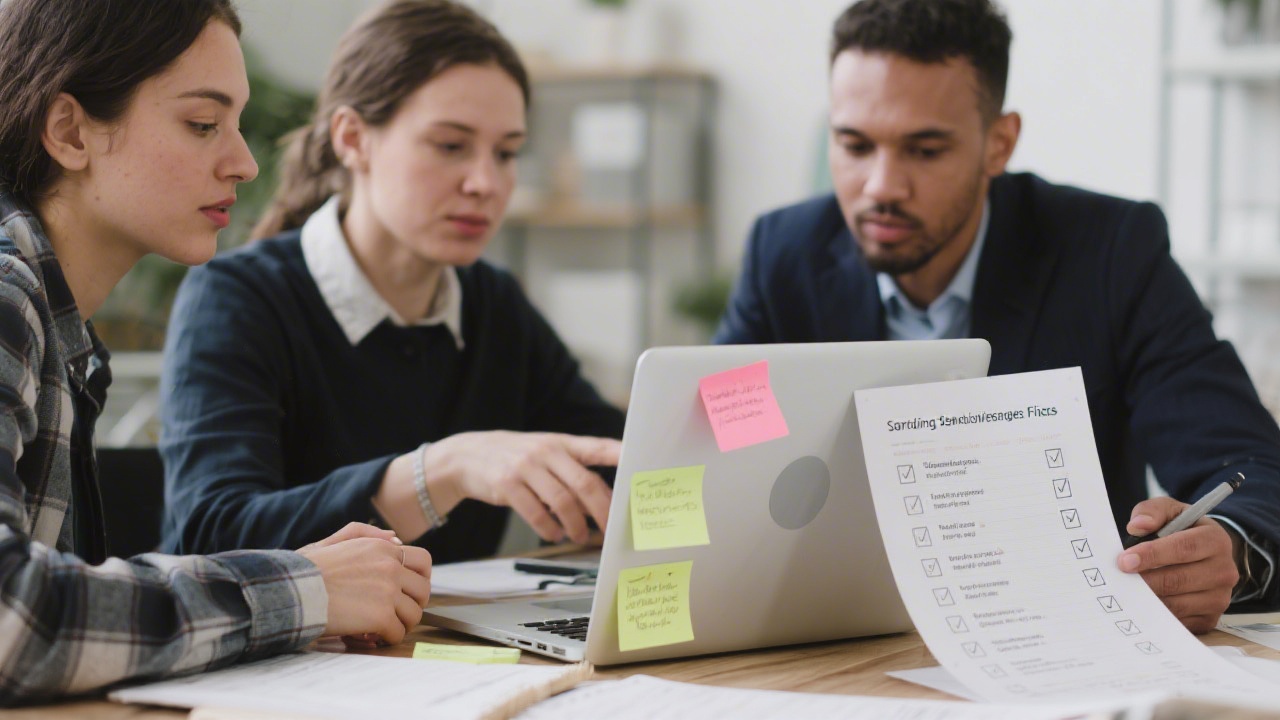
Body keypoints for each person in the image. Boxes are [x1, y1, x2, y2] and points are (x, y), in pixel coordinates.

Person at [715, 0, 1280, 632]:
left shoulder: (1110, 252)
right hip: (829, 638)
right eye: (854, 144)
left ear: (999, 143)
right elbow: (713, 454)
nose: (881, 186)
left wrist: (1229, 549)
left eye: (924, 150)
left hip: (1058, 638)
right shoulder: (782, 254)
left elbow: (1247, 465)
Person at [0, 0, 432, 703]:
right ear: (70, 131)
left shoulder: (56, 324)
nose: (244, 162)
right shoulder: (7, 296)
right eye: (202, 124)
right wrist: (303, 590)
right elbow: (11, 622)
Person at [159, 0, 626, 563]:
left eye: (506, 153)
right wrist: (440, 473)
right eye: (450, 145)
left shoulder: (493, 303)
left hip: (443, 647)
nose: (485, 182)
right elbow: (213, 537)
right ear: (353, 139)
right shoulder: (236, 298)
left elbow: (619, 461)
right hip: (291, 651)